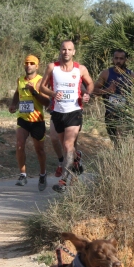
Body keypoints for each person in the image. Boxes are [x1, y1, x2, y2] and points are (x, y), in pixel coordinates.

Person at [39, 40, 94, 192]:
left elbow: (90, 84)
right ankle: (77, 158)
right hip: (58, 112)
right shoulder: (52, 67)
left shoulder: (80, 69)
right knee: (65, 148)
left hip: (74, 111)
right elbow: (41, 87)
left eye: (69, 50)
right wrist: (53, 93)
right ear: (60, 50)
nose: (66, 52)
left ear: (74, 52)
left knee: (68, 145)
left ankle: (63, 181)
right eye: (64, 49)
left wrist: (87, 95)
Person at [8, 55, 49, 190]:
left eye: (32, 63)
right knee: (19, 144)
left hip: (37, 120)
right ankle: (23, 174)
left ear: (37, 66)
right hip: (23, 119)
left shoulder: (41, 81)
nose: (29, 65)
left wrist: (35, 93)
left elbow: (47, 102)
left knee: (40, 150)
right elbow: (16, 93)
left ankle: (43, 174)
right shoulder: (20, 80)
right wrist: (14, 104)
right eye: (26, 63)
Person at [94, 48, 134, 141]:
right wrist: (107, 90)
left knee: (122, 138)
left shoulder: (132, 76)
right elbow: (94, 90)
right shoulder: (106, 74)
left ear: (125, 60)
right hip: (110, 113)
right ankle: (118, 153)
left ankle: (123, 154)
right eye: (116, 58)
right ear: (113, 59)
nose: (118, 61)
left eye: (121, 58)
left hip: (125, 113)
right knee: (114, 140)